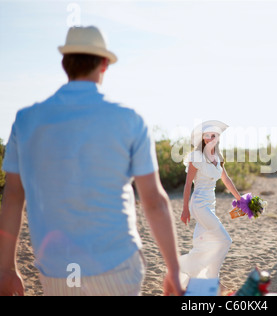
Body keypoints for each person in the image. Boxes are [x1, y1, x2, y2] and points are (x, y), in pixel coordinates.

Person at [0, 26, 182, 296]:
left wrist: (5, 269)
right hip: (117, 264)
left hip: (56, 270)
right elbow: (154, 201)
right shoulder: (129, 120)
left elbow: (13, 195)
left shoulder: (26, 120)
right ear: (104, 64)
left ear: (65, 64)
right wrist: (174, 271)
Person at [179, 120, 241, 286]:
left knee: (202, 243)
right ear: (203, 139)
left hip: (210, 205)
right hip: (199, 204)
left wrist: (239, 198)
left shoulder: (218, 157)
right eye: (207, 136)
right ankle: (213, 280)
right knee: (224, 240)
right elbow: (187, 185)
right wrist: (185, 209)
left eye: (214, 135)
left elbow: (226, 180)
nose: (210, 138)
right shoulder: (196, 157)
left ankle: (188, 277)